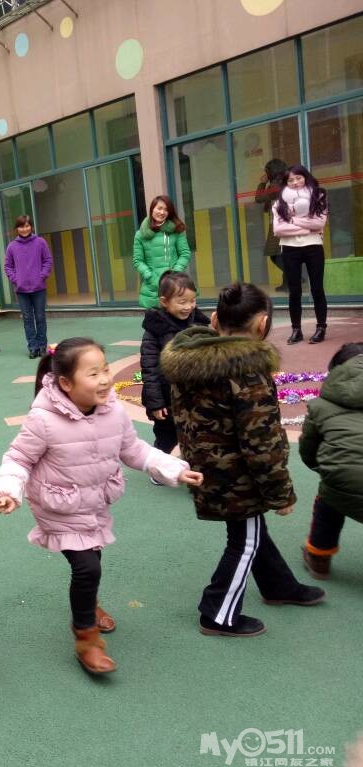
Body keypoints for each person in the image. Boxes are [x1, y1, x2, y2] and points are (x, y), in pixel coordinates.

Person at [0, 338, 201, 674]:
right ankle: (86, 638)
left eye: (105, 370)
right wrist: (7, 491)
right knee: (87, 567)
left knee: (93, 560)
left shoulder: (113, 411)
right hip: (58, 506)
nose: (105, 379)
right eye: (93, 374)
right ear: (66, 383)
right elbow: (19, 458)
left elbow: (134, 450)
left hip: (94, 501)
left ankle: (89, 604)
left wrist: (174, 469)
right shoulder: (43, 420)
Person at [161, 282, 326, 638]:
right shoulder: (247, 371)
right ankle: (217, 613)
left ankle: (279, 585)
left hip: (208, 465)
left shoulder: (192, 360)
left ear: (215, 319)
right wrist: (280, 494)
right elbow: (262, 442)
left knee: (250, 528)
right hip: (236, 475)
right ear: (262, 324)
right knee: (245, 540)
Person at [299, 342, 363, 580]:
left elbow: (308, 448)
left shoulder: (321, 404)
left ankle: (319, 557)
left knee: (329, 498)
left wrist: (323, 469)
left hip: (341, 479)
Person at [139, 271, 209, 456]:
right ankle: (160, 466)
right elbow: (150, 369)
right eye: (182, 302)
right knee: (166, 439)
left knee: (198, 436)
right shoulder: (155, 330)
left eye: (192, 301)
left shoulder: (199, 324)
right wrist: (156, 403)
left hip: (194, 398)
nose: (188, 307)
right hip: (167, 400)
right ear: (164, 301)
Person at [273, 164, 329, 345]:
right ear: (285, 183)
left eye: (298, 178)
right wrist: (307, 226)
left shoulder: (318, 195)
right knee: (294, 291)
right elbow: (278, 230)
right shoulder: (279, 203)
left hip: (313, 246)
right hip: (289, 248)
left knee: (317, 289)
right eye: (290, 180)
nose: (295, 182)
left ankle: (321, 328)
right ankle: (296, 330)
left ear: (305, 177)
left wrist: (293, 220)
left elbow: (319, 224)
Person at [4, 215, 52, 358]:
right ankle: (32, 347)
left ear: (31, 227)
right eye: (21, 226)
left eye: (27, 226)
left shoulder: (40, 242)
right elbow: (8, 266)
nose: (24, 229)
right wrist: (16, 280)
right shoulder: (12, 246)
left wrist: (42, 276)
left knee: (40, 317)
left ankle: (42, 346)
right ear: (16, 229)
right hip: (22, 290)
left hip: (39, 288)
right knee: (27, 319)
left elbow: (48, 260)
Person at [132, 195, 191, 310]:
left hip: (175, 284)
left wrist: (175, 273)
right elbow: (138, 260)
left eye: (166, 210)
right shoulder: (140, 234)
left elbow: (185, 254)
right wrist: (150, 276)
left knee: (178, 318)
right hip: (152, 287)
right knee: (155, 320)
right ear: (152, 209)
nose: (162, 212)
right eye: (159, 208)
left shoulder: (177, 230)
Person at [255, 158, 288, 292]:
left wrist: (262, 183)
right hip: (281, 224)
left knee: (275, 255)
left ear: (271, 172)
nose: (265, 174)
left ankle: (293, 277)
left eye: (266, 171)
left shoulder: (275, 185)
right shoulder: (282, 183)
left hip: (279, 225)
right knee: (281, 254)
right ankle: (288, 281)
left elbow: (258, 198)